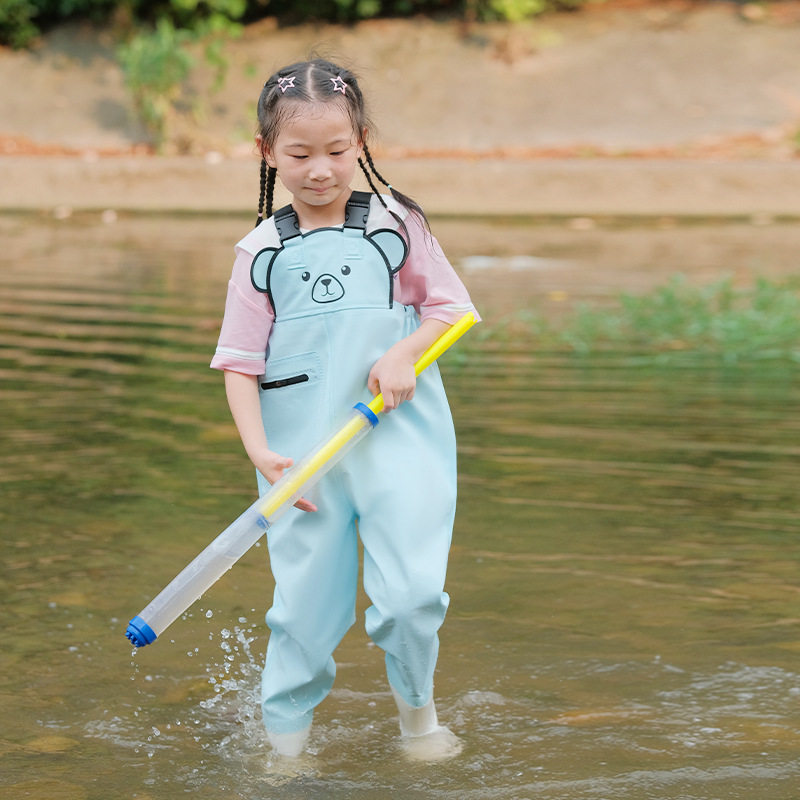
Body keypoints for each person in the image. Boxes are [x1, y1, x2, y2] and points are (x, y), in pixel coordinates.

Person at [210, 58, 478, 759]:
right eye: (299, 154)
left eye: (336, 150)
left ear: (360, 140)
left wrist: (405, 351)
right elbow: (239, 363)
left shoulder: (397, 226)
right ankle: (284, 759)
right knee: (302, 616)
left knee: (413, 599)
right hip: (300, 464)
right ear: (267, 151)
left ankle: (420, 726)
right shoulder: (260, 253)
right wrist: (260, 453)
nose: (320, 170)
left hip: (402, 444)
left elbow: (452, 310)